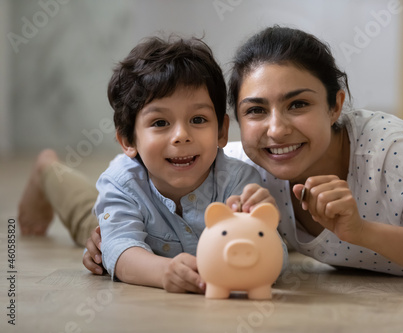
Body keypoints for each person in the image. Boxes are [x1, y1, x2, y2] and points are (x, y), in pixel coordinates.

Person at [20, 26, 403, 289]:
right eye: (256, 110)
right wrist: (111, 250)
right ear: (236, 122)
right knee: (114, 230)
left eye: (299, 103)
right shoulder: (242, 163)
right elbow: (138, 181)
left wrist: (362, 232)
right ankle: (49, 172)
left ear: (337, 104)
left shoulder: (390, 149)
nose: (275, 129)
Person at [18, 35, 285, 294]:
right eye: (160, 123)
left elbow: (276, 258)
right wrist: (163, 272)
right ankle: (47, 168)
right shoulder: (121, 183)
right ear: (127, 140)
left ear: (221, 131)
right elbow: (119, 249)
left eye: (198, 119)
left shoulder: (238, 183)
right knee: (87, 224)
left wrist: (260, 229)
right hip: (125, 214)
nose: (181, 135)